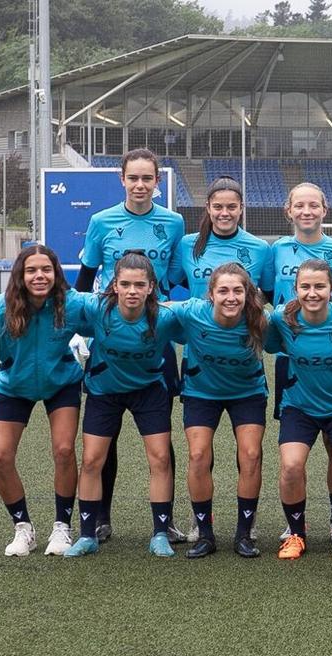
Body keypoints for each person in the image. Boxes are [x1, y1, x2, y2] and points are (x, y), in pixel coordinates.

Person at [74, 148, 185, 544]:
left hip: (154, 334)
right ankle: (100, 518)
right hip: (109, 334)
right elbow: (84, 280)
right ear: (121, 180)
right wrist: (80, 333)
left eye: (147, 178)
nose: (140, 185)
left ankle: (165, 522)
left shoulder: (173, 223)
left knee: (160, 438)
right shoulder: (101, 221)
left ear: (157, 182)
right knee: (105, 437)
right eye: (133, 178)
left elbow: (174, 279)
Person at [0, 245, 85, 557]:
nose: (39, 276)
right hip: (14, 387)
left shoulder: (72, 304)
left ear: (56, 273)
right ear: (20, 275)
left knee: (64, 450)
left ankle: (62, 526)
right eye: (31, 270)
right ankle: (23, 527)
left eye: (46, 269)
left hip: (61, 384)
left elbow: (107, 316)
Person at [65, 253, 183, 558]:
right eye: (126, 284)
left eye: (139, 285)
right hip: (104, 391)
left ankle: (160, 533)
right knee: (92, 460)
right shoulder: (96, 308)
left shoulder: (165, 316)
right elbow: (59, 298)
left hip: (148, 391)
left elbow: (205, 314)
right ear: (114, 285)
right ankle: (87, 534)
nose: (132, 291)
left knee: (160, 458)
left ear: (151, 287)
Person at [268, 182, 332, 543]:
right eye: (299, 205)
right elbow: (265, 295)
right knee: (294, 453)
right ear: (288, 210)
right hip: (291, 359)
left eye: (313, 205)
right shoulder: (275, 250)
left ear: (325, 209)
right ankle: (296, 525)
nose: (306, 211)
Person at [266, 259, 332, 560]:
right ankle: (296, 534)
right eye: (305, 287)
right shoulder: (282, 319)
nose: (312, 293)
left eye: (319, 286)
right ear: (295, 289)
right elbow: (271, 345)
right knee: (291, 466)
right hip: (299, 406)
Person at [170, 263, 269, 559]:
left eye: (238, 291)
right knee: (198, 455)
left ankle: (244, 534)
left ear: (247, 294)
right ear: (211, 294)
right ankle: (205, 533)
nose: (231, 297)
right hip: (202, 392)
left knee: (250, 454)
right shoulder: (192, 312)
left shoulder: (262, 320)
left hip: (247, 393)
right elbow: (156, 308)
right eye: (223, 290)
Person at [169, 175, 272, 300]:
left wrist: (250, 305)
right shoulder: (187, 244)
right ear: (208, 208)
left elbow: (271, 295)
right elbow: (167, 286)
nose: (224, 213)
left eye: (231, 207)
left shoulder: (260, 248)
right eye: (218, 207)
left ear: (241, 208)